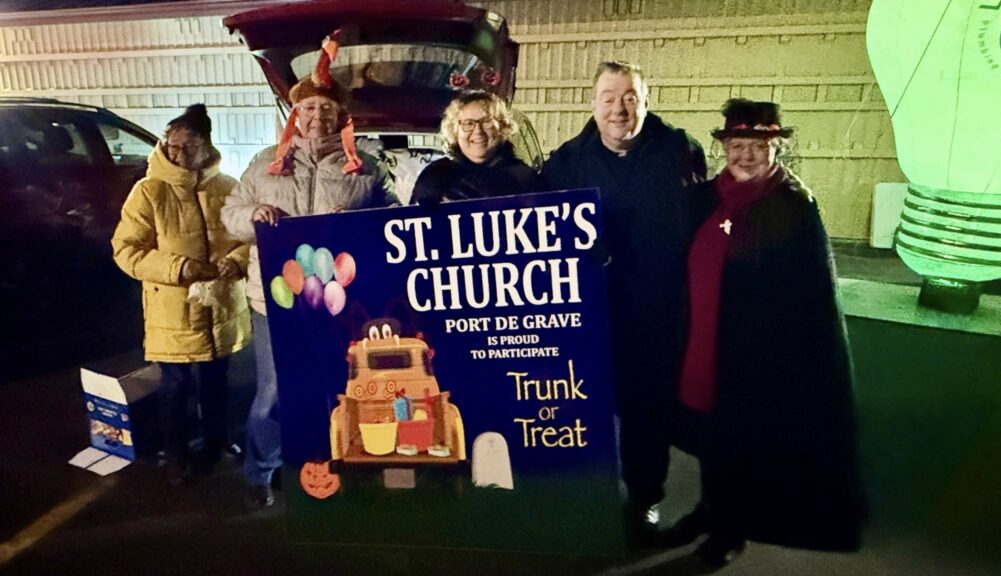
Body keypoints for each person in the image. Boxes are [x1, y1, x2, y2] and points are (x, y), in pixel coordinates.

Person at [663, 98, 866, 568]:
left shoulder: (792, 207)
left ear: (774, 147)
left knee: (742, 440)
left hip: (757, 354)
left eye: (757, 145)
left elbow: (814, 294)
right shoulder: (702, 199)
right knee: (711, 437)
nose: (746, 155)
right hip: (702, 340)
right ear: (725, 147)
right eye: (737, 144)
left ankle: (729, 532)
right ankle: (709, 510)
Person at [222, 47, 397, 507]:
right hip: (272, 300)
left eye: (327, 108)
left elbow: (394, 218)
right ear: (294, 114)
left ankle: (328, 461)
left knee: (335, 384)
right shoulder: (264, 162)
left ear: (341, 115)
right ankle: (263, 471)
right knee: (276, 389)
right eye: (308, 108)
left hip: (342, 300)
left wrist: (359, 228)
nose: (317, 116)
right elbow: (230, 213)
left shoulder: (367, 166)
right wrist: (253, 215)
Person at [542, 61, 707, 543]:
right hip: (587, 315)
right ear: (593, 105)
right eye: (610, 98)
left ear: (646, 102)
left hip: (657, 313)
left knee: (646, 413)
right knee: (578, 408)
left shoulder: (680, 151)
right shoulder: (566, 162)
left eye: (630, 97)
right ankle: (576, 498)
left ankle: (643, 500)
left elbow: (704, 221)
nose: (620, 108)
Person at [112, 104, 251, 483]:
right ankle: (175, 453)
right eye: (171, 145)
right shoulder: (148, 192)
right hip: (173, 312)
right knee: (175, 387)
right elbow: (127, 251)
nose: (177, 153)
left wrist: (236, 260)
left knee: (216, 383)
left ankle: (215, 442)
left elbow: (249, 238)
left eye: (187, 147)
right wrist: (179, 268)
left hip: (219, 309)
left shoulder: (228, 187)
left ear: (206, 146)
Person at [411, 90, 540, 204]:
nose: (478, 131)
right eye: (468, 123)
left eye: (487, 122)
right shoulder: (433, 176)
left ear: (502, 128)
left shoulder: (525, 178)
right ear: (454, 132)